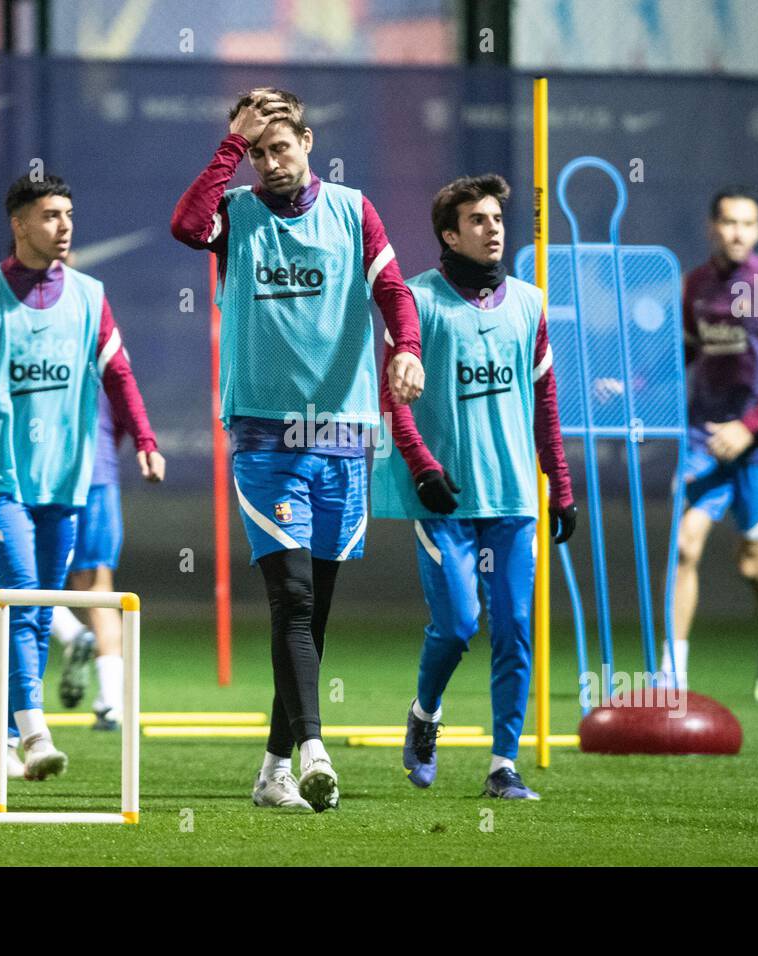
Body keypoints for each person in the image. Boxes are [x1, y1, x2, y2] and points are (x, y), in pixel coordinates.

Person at [171, 87, 424, 812]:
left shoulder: (354, 211)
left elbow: (395, 293)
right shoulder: (236, 217)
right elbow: (186, 226)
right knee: (293, 596)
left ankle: (275, 765)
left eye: (281, 147)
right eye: (256, 152)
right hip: (264, 431)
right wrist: (227, 145)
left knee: (316, 612)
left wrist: (405, 348)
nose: (270, 162)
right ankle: (315, 746)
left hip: (343, 434)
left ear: (309, 143)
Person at [0, 173, 163, 780]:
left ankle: (1, 745)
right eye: (50, 215)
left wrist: (146, 441)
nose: (65, 225)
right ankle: (37, 735)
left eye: (69, 214)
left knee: (40, 612)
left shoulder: (90, 296)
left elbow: (120, 376)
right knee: (23, 595)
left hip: (64, 481)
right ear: (19, 224)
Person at [371, 174, 576, 799]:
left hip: (514, 495)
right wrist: (423, 467)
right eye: (478, 220)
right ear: (449, 234)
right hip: (448, 498)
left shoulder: (530, 304)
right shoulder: (416, 302)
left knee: (514, 627)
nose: (493, 229)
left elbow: (545, 403)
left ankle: (503, 764)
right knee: (459, 624)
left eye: (497, 219)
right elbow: (394, 397)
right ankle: (425, 715)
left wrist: (560, 485)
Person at [666, 186, 758, 701]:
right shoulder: (695, 285)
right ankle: (673, 676)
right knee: (685, 547)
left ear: (757, 231)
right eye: (729, 222)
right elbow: (683, 357)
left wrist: (749, 427)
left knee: (751, 562)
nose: (738, 232)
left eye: (748, 224)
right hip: (704, 435)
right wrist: (632, 385)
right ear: (712, 226)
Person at [50, 384, 128, 730]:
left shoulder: (38, 336)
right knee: (100, 589)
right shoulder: (109, 344)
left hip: (49, 476)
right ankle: (111, 704)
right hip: (100, 474)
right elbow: (127, 407)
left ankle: (69, 631)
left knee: (28, 579)